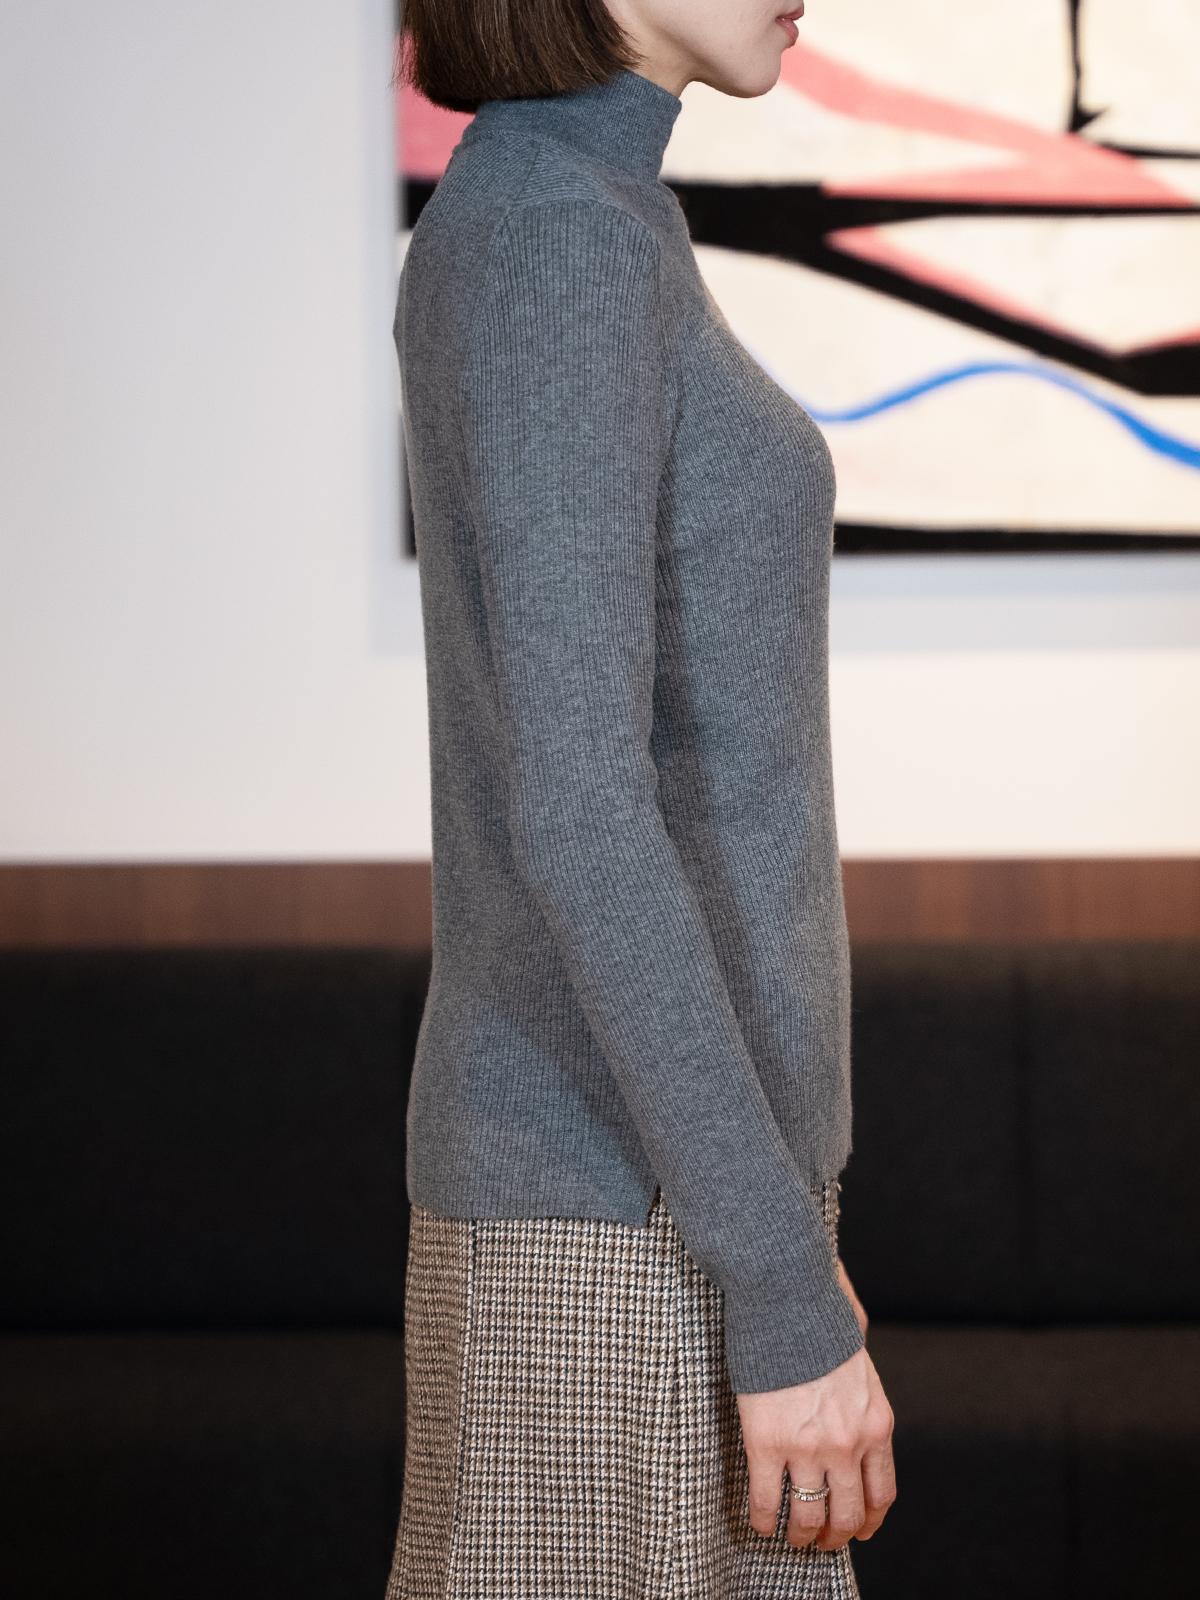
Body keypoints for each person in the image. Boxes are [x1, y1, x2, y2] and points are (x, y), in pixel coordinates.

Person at [385, 1, 897, 1594]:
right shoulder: (558, 231)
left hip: (676, 1199)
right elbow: (582, 808)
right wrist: (777, 1276)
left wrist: (777, 1243)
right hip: (613, 1214)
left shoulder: (585, 208)